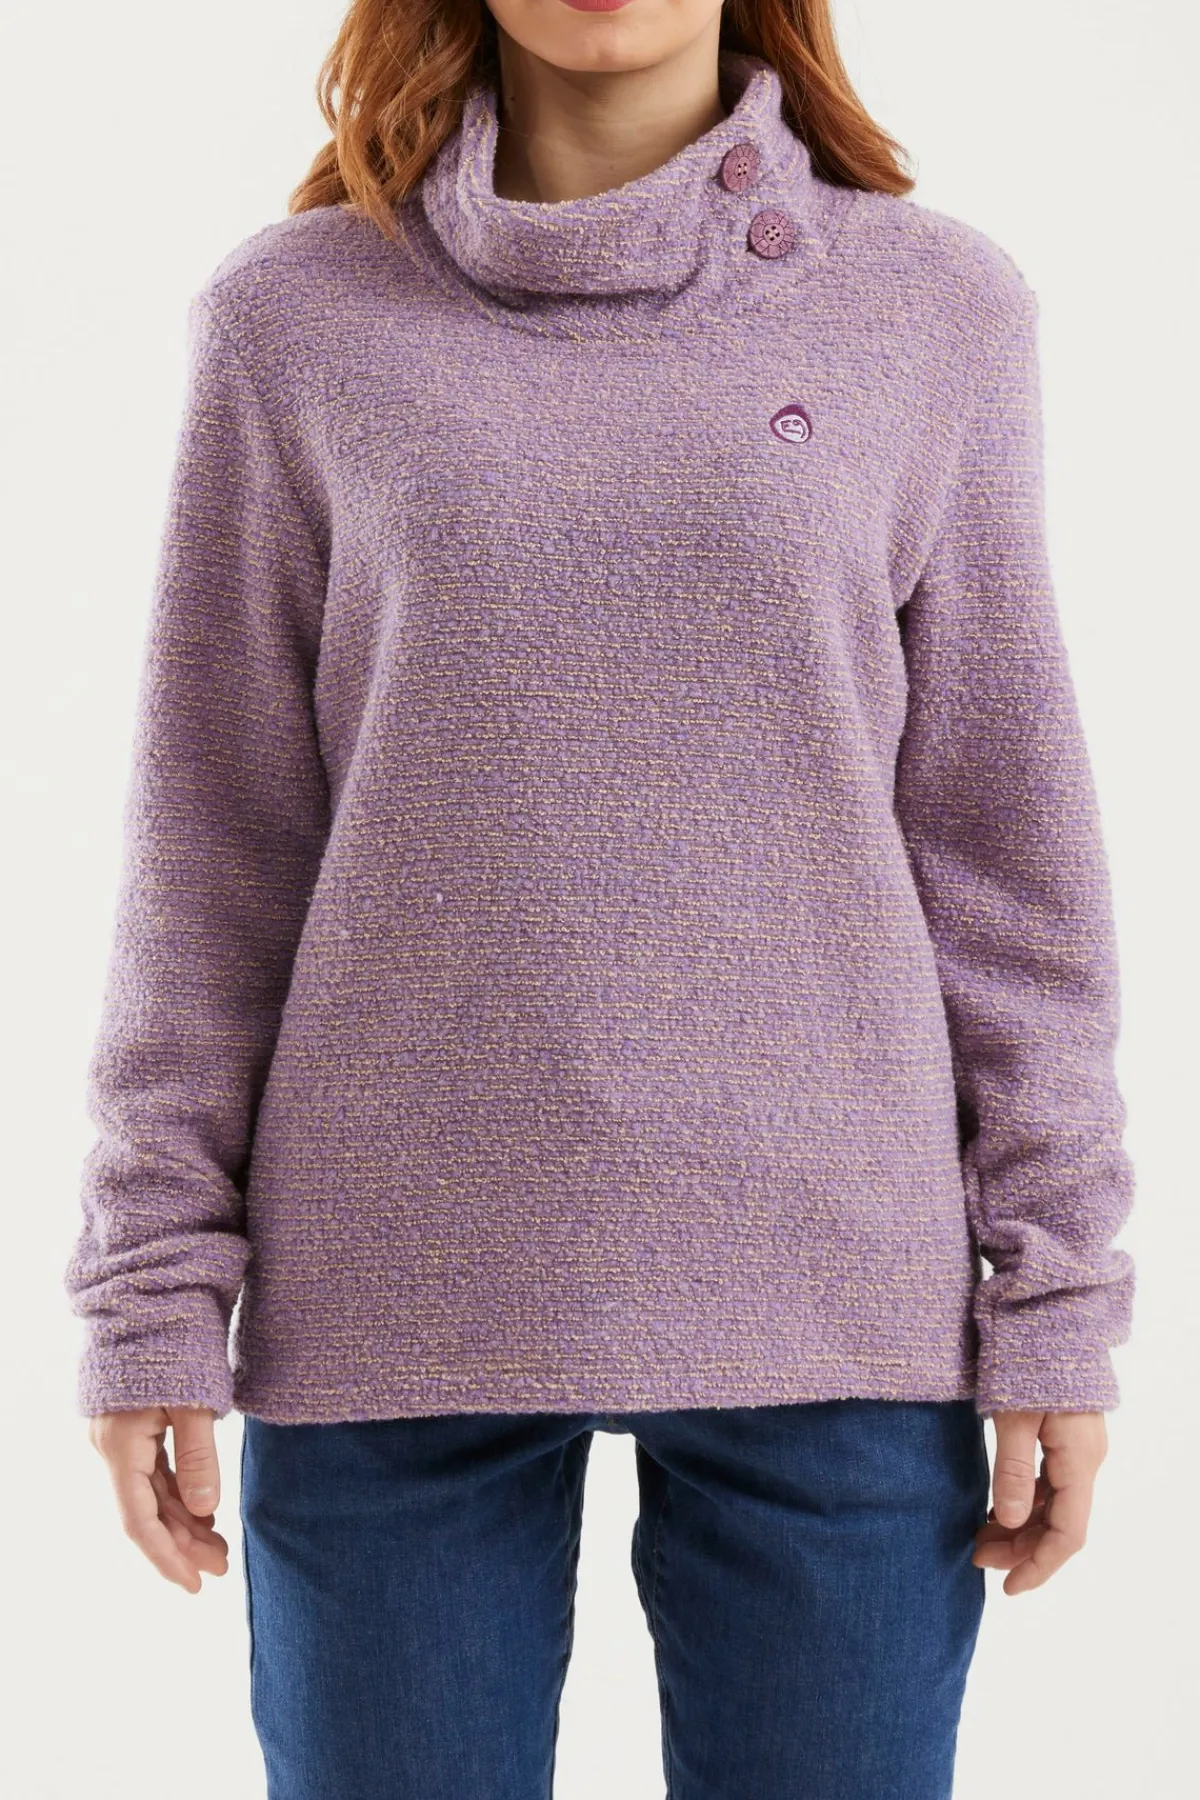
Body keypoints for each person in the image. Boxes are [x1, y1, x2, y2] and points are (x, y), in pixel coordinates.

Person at [64, 0, 1137, 1794]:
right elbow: (213, 847)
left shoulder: (935, 308)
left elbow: (1004, 851)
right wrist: (151, 1286)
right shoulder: (294, 322)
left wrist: (1059, 1293)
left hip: (835, 1289)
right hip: (393, 1289)